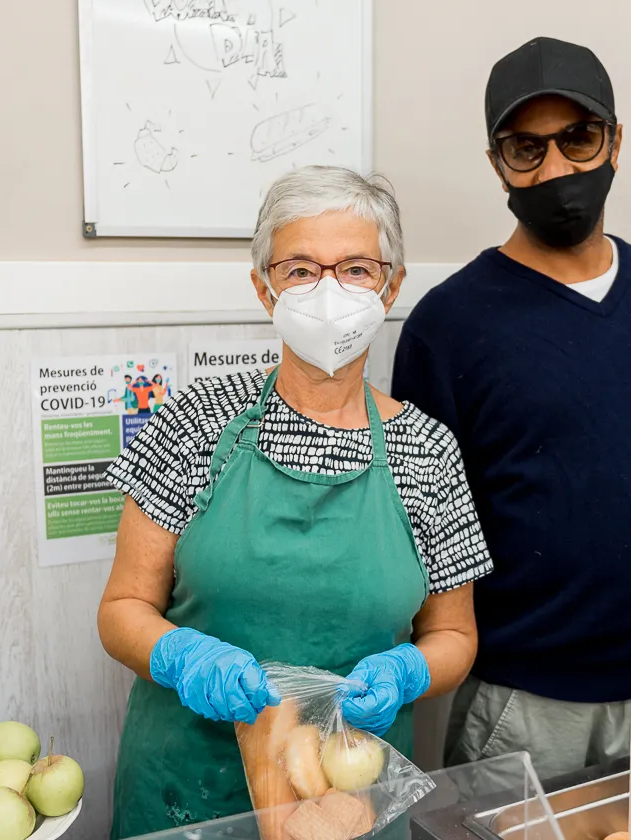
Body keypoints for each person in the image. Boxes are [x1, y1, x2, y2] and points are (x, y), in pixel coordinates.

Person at [99, 165, 493, 838]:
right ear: (265, 288)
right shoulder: (194, 425)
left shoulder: (429, 451)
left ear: (392, 284)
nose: (329, 291)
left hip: (345, 799)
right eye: (302, 269)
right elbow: (121, 610)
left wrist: (407, 672)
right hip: (190, 794)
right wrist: (185, 658)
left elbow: (455, 637)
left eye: (357, 269)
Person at [392, 37, 631, 779]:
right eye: (526, 149)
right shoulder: (448, 327)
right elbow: (427, 534)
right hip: (526, 708)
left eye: (578, 138)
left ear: (615, 140)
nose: (557, 170)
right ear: (495, 161)